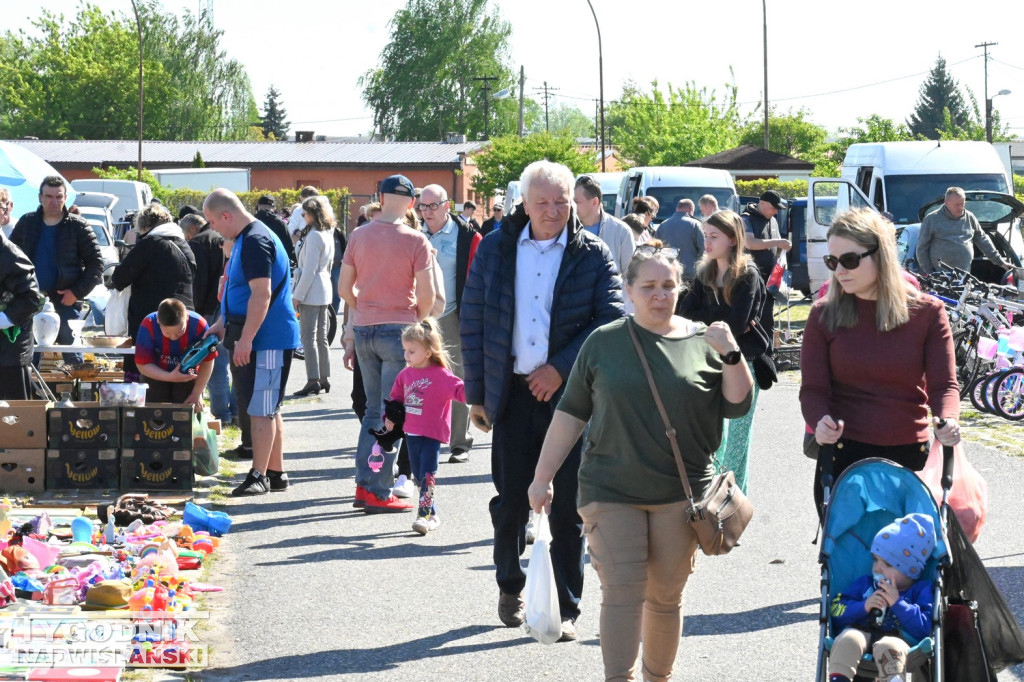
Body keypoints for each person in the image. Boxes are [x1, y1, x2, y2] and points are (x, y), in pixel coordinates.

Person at [527, 243, 753, 678]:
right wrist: (543, 478)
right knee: (623, 591)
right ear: (629, 291)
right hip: (611, 489)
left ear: (680, 288)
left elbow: (736, 403)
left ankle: (657, 677)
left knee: (665, 596)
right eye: (648, 286)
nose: (659, 295)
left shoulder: (705, 340)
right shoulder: (603, 342)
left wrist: (731, 353)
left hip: (681, 493)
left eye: (668, 285)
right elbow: (571, 413)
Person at [461, 159, 624, 641]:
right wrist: (477, 395)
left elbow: (610, 319)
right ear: (524, 203)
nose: (553, 211)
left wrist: (560, 368)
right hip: (510, 394)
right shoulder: (495, 249)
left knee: (570, 503)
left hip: (570, 396)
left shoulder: (591, 253)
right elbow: (473, 321)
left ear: (573, 201)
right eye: (543, 202)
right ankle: (510, 584)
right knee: (512, 499)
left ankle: (567, 606)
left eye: (561, 201)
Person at [800, 209, 960, 517]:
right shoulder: (823, 314)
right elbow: (813, 389)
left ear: (881, 255)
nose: (839, 271)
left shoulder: (927, 312)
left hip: (910, 458)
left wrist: (947, 419)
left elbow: (944, 384)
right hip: (843, 455)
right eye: (832, 262)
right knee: (849, 561)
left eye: (849, 260)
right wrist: (819, 420)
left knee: (908, 562)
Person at [340, 174, 436, 514]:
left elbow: (343, 288)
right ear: (411, 203)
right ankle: (379, 491)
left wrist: (364, 306)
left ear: (379, 197)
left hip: (365, 326)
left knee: (373, 412)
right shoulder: (416, 240)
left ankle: (365, 485)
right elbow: (428, 296)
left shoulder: (359, 235)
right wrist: (414, 319)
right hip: (399, 330)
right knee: (392, 413)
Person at [203, 189, 301, 496]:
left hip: (266, 338)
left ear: (227, 215)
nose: (212, 227)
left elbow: (262, 294)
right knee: (268, 407)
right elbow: (238, 289)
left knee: (261, 409)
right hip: (256, 335)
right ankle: (275, 472)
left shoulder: (256, 240)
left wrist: (246, 340)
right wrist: (221, 323)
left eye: (212, 221)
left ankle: (258, 475)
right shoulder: (247, 237)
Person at [677, 211, 768, 495]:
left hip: (743, 363)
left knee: (737, 444)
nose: (707, 241)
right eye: (705, 235)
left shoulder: (747, 274)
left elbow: (736, 325)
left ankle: (732, 508)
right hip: (706, 362)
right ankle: (709, 504)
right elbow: (684, 313)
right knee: (714, 440)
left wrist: (707, 316)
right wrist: (718, 316)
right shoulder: (704, 273)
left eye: (713, 236)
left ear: (732, 239)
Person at [828, 513, 937, 682]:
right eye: (875, 560)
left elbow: (924, 629)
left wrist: (898, 603)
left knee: (889, 647)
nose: (877, 568)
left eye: (887, 564)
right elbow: (835, 610)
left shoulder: (920, 590)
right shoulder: (866, 585)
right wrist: (863, 606)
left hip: (900, 642)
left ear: (910, 569)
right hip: (861, 634)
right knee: (848, 638)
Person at [417, 184, 481, 463]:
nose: (427, 212)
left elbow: (478, 277)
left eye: (433, 206)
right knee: (420, 379)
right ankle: (422, 437)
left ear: (447, 206)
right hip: (420, 318)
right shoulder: (414, 235)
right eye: (422, 206)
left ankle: (460, 443)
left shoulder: (466, 236)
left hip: (454, 315)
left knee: (456, 378)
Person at [10, 176, 103, 364]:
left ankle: (74, 394)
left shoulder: (78, 226)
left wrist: (76, 293)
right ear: (40, 198)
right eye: (49, 196)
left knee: (74, 361)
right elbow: (9, 261)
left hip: (65, 301)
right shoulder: (27, 223)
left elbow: (96, 265)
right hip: (31, 301)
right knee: (25, 361)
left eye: (59, 197)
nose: (54, 201)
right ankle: (28, 395)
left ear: (65, 198)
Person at [388, 318, 466, 535]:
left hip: (432, 433)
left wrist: (481, 387)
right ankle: (433, 514)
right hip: (411, 432)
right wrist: (390, 416)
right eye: (405, 350)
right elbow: (395, 398)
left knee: (428, 474)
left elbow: (462, 392)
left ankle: (423, 515)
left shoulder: (442, 376)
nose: (406, 355)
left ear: (428, 352)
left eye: (412, 351)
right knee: (418, 474)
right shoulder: (405, 374)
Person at [110, 204, 196, 381]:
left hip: (152, 320)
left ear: (145, 227)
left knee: (146, 374)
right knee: (180, 367)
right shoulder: (186, 246)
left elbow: (119, 278)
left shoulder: (150, 244)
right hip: (184, 318)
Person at [182, 212, 234, 425]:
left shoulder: (198, 243)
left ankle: (222, 413)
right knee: (234, 361)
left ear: (192, 229)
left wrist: (198, 312)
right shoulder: (225, 236)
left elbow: (200, 282)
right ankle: (238, 411)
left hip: (210, 309)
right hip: (229, 306)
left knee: (215, 361)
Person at [134, 298, 215, 411]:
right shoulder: (148, 324)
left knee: (185, 410)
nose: (173, 337)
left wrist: (197, 393)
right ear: (158, 321)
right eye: (167, 333)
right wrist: (169, 377)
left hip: (188, 376)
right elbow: (142, 364)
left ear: (186, 317)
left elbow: (208, 361)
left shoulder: (199, 325)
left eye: (180, 332)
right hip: (156, 374)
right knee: (154, 411)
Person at [291, 195, 336, 396]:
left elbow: (308, 270)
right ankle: (323, 377)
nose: (303, 216)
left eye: (305, 213)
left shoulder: (314, 235)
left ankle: (312, 379)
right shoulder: (327, 232)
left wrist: (297, 295)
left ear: (312, 214)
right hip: (324, 287)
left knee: (307, 337)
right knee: (321, 337)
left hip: (311, 290)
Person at [916, 186, 1014, 276]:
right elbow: (921, 249)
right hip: (940, 276)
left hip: (964, 275)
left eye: (962, 204)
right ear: (946, 203)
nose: (960, 208)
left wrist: (999, 261)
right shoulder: (932, 219)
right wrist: (930, 272)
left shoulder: (970, 217)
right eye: (957, 205)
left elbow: (983, 240)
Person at [741, 190, 791, 353]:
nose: (776, 211)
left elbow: (774, 248)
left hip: (770, 278)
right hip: (751, 278)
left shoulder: (773, 221)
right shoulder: (746, 219)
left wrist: (781, 252)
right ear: (762, 203)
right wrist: (778, 242)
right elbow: (750, 243)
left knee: (768, 318)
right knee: (753, 318)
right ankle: (756, 354)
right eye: (773, 208)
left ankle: (769, 354)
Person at [0, 229, 41, 400]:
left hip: (9, 356)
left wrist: (2, 319)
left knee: (14, 419)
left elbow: (31, 299)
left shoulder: (10, 255)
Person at [574, 175, 634, 276]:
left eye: (576, 202)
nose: (572, 206)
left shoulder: (621, 231)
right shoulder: (566, 231)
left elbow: (631, 275)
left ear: (594, 202)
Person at [655, 198, 704, 281]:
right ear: (691, 209)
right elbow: (703, 249)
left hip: (668, 272)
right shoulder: (696, 224)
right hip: (690, 274)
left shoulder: (662, 225)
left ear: (677, 209)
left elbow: (655, 249)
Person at [254, 195, 297, 272]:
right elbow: (289, 247)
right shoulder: (280, 223)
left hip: (254, 265)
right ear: (274, 208)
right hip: (277, 266)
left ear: (259, 206)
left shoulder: (252, 221)